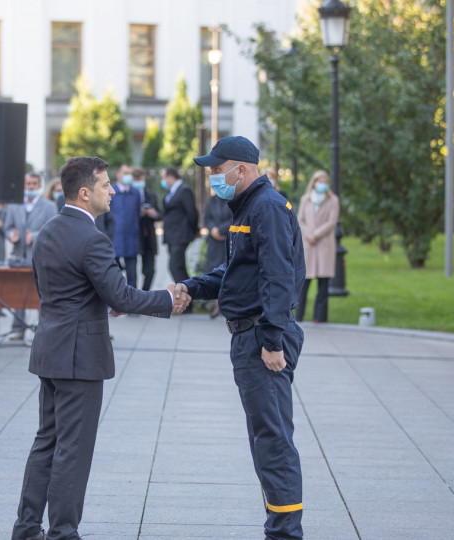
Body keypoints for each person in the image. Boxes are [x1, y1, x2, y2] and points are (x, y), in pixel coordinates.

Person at [12, 156, 187, 540]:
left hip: (50, 349)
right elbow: (121, 296)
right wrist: (165, 299)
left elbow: (58, 292)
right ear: (85, 192)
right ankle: (62, 532)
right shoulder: (93, 238)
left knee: (47, 442)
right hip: (80, 357)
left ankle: (26, 528)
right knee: (72, 450)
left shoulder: (47, 231)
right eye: (106, 185)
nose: (112, 191)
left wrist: (103, 302)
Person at [175, 136, 306, 540]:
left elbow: (278, 279)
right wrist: (191, 287)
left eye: (217, 169)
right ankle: (279, 525)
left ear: (242, 170)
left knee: (273, 440)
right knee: (265, 436)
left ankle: (284, 533)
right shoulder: (248, 206)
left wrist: (271, 342)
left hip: (260, 337)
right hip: (250, 336)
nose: (214, 177)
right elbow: (236, 274)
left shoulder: (265, 208)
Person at [3, 172, 57, 340]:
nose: (30, 187)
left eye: (34, 184)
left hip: (41, 258)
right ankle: (17, 328)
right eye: (28, 184)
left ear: (39, 185)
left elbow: (53, 230)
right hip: (19, 256)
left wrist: (33, 236)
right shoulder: (14, 206)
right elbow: (7, 227)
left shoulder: (49, 206)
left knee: (41, 294)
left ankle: (42, 329)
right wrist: (11, 234)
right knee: (19, 292)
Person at [296, 170, 339, 324]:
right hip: (308, 244)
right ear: (313, 183)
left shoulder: (333, 200)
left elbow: (331, 222)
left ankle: (319, 317)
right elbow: (300, 219)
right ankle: (298, 315)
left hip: (324, 245)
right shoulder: (305, 199)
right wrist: (309, 234)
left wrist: (316, 234)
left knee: (323, 285)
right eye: (320, 181)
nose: (323, 185)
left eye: (325, 182)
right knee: (304, 283)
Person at [162, 166, 199, 291]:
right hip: (172, 236)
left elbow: (192, 213)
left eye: (164, 177)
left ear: (171, 177)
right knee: (177, 266)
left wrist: (193, 231)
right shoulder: (172, 191)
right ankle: (187, 295)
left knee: (175, 266)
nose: (164, 181)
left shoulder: (184, 191)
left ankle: (187, 294)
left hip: (180, 235)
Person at [110, 163, 142, 287]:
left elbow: (137, 214)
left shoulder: (135, 193)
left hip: (131, 238)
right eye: (125, 173)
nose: (128, 176)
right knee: (114, 275)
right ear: (118, 174)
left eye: (129, 174)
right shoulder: (111, 192)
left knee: (132, 274)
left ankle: (133, 304)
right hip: (114, 238)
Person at [201, 190, 233, 318]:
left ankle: (226, 304)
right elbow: (207, 218)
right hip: (214, 242)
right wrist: (213, 230)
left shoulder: (232, 199)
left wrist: (220, 230)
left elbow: (234, 218)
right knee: (214, 271)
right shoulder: (212, 200)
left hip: (227, 239)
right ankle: (217, 305)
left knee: (228, 272)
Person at [136, 167, 160, 291]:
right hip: (134, 237)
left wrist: (153, 213)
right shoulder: (127, 195)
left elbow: (159, 214)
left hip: (148, 237)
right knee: (132, 271)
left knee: (150, 270)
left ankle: (144, 293)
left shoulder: (150, 195)